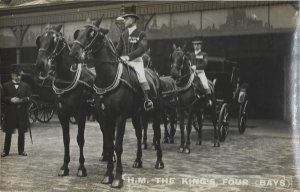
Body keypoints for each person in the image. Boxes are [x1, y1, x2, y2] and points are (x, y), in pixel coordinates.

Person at [115, 5, 153, 111]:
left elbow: (141, 49)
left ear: (132, 19)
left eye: (126, 19)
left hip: (136, 62)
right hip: (124, 61)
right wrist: (114, 56)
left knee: (141, 77)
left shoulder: (141, 33)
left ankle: (147, 100)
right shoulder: (123, 34)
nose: (124, 21)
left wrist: (128, 56)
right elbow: (118, 49)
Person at [1, 65, 31, 157]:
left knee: (21, 132)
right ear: (12, 75)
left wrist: (21, 100)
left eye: (20, 75)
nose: (18, 77)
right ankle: (6, 151)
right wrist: (10, 99)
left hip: (21, 113)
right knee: (8, 132)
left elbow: (29, 98)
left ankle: (21, 150)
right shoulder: (6, 85)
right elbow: (2, 98)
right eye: (16, 75)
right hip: (10, 112)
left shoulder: (26, 86)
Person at [190, 37, 212, 106]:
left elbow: (204, 64)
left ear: (200, 45)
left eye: (197, 44)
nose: (196, 46)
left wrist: (196, 67)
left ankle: (209, 100)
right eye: (194, 44)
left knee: (205, 84)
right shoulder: (191, 54)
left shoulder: (204, 54)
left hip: (200, 73)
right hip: (192, 73)